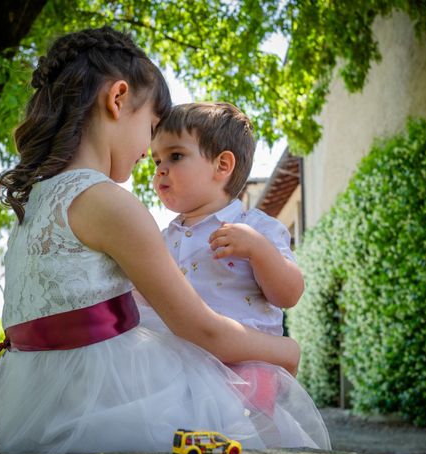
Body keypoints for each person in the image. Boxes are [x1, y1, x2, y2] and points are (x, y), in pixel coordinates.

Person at [0, 27, 330, 454]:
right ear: (117, 99)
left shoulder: (35, 202)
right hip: (99, 398)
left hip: (33, 402)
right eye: (150, 128)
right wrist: (286, 349)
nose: (148, 153)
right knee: (223, 418)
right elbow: (201, 328)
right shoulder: (110, 203)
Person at [138, 102, 324, 432]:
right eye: (156, 161)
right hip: (182, 364)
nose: (160, 170)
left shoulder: (256, 227)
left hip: (245, 367)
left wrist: (259, 251)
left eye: (175, 156)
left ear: (222, 165)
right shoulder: (162, 238)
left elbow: (290, 293)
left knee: (243, 436)